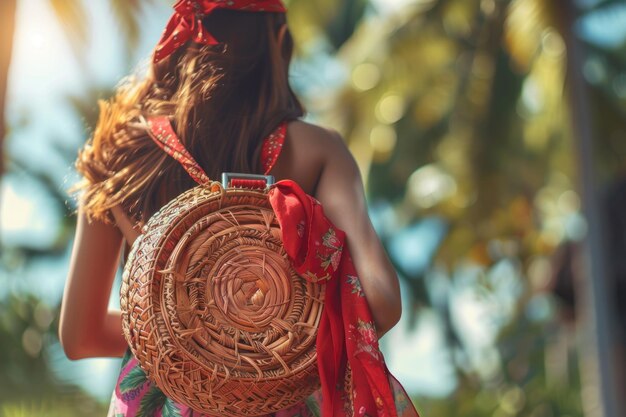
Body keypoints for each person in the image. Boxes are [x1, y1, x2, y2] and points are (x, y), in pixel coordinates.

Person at [59, 1, 415, 416]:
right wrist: (265, 327)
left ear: (183, 34)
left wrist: (186, 329)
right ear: (279, 41)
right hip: (278, 398)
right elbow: (381, 301)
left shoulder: (118, 152)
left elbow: (79, 336)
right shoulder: (318, 150)